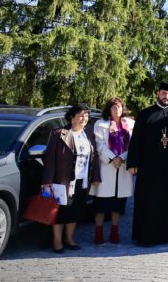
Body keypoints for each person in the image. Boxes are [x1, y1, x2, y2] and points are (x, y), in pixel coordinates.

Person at [127, 82, 168, 247]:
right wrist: (132, 162)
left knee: (164, 201)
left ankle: (161, 236)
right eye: (164, 93)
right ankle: (142, 236)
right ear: (158, 93)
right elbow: (136, 139)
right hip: (147, 165)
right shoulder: (145, 113)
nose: (166, 96)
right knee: (145, 199)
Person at [42, 103, 99, 253]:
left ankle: (69, 238)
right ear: (72, 117)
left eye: (86, 115)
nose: (84, 118)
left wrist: (95, 176)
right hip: (62, 181)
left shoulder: (88, 134)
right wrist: (47, 181)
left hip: (82, 180)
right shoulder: (59, 134)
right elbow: (49, 159)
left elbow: (94, 157)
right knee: (60, 213)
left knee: (75, 212)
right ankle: (57, 241)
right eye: (80, 115)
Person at [91, 97, 134, 245]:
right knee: (101, 205)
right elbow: (99, 144)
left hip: (122, 167)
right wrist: (112, 158)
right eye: (114, 107)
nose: (117, 110)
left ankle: (114, 233)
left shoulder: (130, 124)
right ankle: (99, 234)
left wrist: (121, 158)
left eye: (119, 107)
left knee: (117, 205)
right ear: (109, 109)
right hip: (106, 167)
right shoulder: (100, 124)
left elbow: (133, 145)